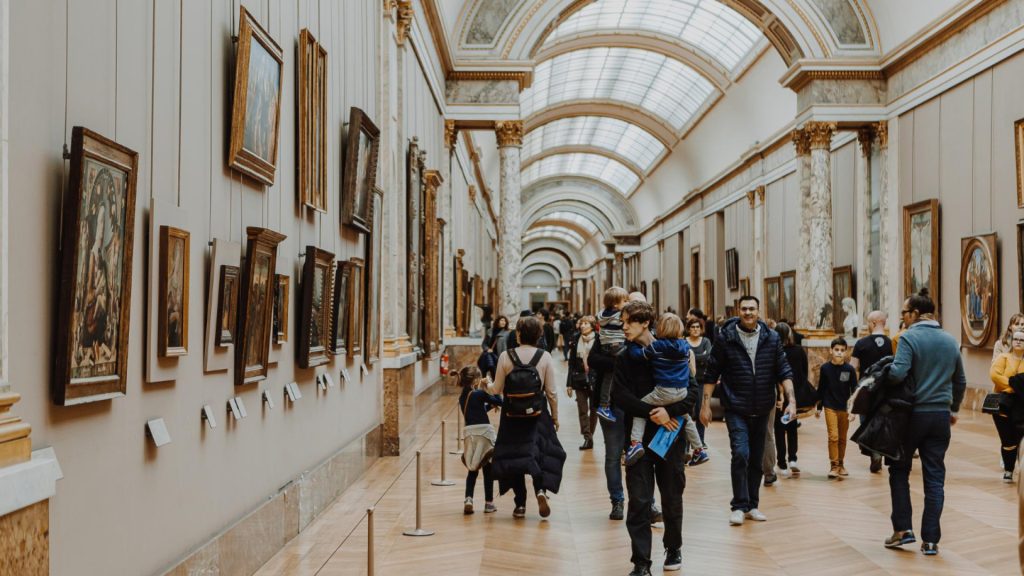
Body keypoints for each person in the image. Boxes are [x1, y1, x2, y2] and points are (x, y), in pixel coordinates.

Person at [612, 300, 695, 576]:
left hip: (670, 434)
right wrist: (652, 413)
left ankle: (673, 547)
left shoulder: (674, 348)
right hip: (638, 439)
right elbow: (619, 396)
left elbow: (692, 392)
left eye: (627, 322)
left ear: (644, 323)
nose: (622, 327)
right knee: (639, 500)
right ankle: (641, 563)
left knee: (672, 496)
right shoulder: (625, 356)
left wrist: (669, 411)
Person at [700, 295, 796, 526]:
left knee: (756, 458)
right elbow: (712, 372)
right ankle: (739, 505)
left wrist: (791, 400)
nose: (748, 312)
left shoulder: (771, 338)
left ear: (758, 311)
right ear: (738, 310)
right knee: (740, 454)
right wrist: (704, 406)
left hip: (763, 406)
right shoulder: (726, 338)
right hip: (736, 407)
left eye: (752, 309)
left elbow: (784, 370)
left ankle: (753, 505)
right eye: (744, 309)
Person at [884, 288, 966, 556]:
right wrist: (952, 408)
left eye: (904, 313)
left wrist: (885, 371)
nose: (903, 318)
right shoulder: (950, 341)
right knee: (934, 477)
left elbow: (897, 374)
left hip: (911, 416)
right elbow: (961, 381)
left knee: (899, 468)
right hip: (940, 417)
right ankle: (931, 540)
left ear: (916, 313)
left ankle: (903, 529)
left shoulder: (909, 338)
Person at [489, 315, 565, 519]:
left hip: (511, 414)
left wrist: (483, 385)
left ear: (519, 334)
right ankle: (540, 490)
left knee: (515, 456)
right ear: (540, 335)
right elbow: (551, 392)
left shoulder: (506, 356)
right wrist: (555, 417)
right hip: (537, 414)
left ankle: (520, 504)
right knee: (540, 453)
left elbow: (496, 389)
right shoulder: (545, 357)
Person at [623, 313, 700, 466]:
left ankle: (635, 443)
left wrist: (630, 345)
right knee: (686, 417)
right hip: (682, 391)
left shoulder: (657, 346)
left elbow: (638, 355)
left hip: (664, 390)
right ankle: (699, 449)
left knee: (641, 408)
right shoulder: (685, 346)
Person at [851, 310, 893, 473]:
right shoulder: (892, 343)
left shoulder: (861, 344)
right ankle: (879, 452)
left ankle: (873, 453)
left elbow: (853, 367)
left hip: (866, 388)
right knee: (883, 422)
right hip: (886, 389)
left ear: (874, 323)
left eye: (868, 322)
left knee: (866, 422)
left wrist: (854, 390)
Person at [458, 366, 501, 515]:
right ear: (476, 380)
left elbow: (476, 410)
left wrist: (488, 404)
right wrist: (488, 384)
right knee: (487, 469)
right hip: (484, 434)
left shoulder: (463, 397)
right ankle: (489, 503)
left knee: (473, 468)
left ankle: (468, 499)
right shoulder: (479, 393)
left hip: (470, 434)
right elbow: (499, 400)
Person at [816, 337, 857, 478]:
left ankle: (841, 464)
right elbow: (821, 388)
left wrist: (853, 410)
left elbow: (854, 391)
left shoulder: (850, 370)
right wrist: (819, 407)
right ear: (831, 351)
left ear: (846, 352)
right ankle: (833, 465)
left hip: (844, 408)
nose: (839, 353)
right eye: (836, 350)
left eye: (842, 350)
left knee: (842, 438)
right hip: (829, 406)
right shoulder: (825, 368)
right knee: (833, 436)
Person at [990, 330, 1024, 483]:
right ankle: (1009, 469)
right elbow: (995, 375)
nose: (1018, 342)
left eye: (1021, 340)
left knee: (1020, 437)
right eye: (1015, 339)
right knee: (1007, 438)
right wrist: (1013, 386)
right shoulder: (1003, 358)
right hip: (1002, 404)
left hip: (1021, 406)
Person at [773, 323, 805, 478]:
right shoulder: (799, 350)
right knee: (792, 428)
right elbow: (804, 373)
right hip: (794, 395)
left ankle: (782, 463)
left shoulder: (774, 351)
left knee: (779, 430)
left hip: (779, 396)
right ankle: (793, 458)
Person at [595, 287, 629, 422]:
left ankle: (604, 405)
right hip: (617, 345)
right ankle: (605, 405)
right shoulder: (619, 316)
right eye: (625, 300)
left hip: (605, 346)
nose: (627, 303)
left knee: (609, 376)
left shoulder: (602, 314)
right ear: (616, 304)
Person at [567, 315, 600, 451]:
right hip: (579, 379)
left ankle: (590, 435)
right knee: (582, 410)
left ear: (592, 325)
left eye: (586, 323)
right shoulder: (575, 339)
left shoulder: (599, 339)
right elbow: (572, 363)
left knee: (594, 410)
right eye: (581, 323)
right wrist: (568, 383)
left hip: (595, 379)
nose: (582, 326)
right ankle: (587, 437)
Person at [685, 317, 712, 465]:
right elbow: (684, 358)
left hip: (701, 381)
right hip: (688, 382)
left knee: (700, 411)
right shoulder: (684, 342)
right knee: (688, 413)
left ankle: (700, 441)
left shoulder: (706, 341)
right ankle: (687, 445)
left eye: (698, 327)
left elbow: (708, 357)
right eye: (693, 327)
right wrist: (699, 358)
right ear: (688, 329)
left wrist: (693, 357)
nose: (695, 329)